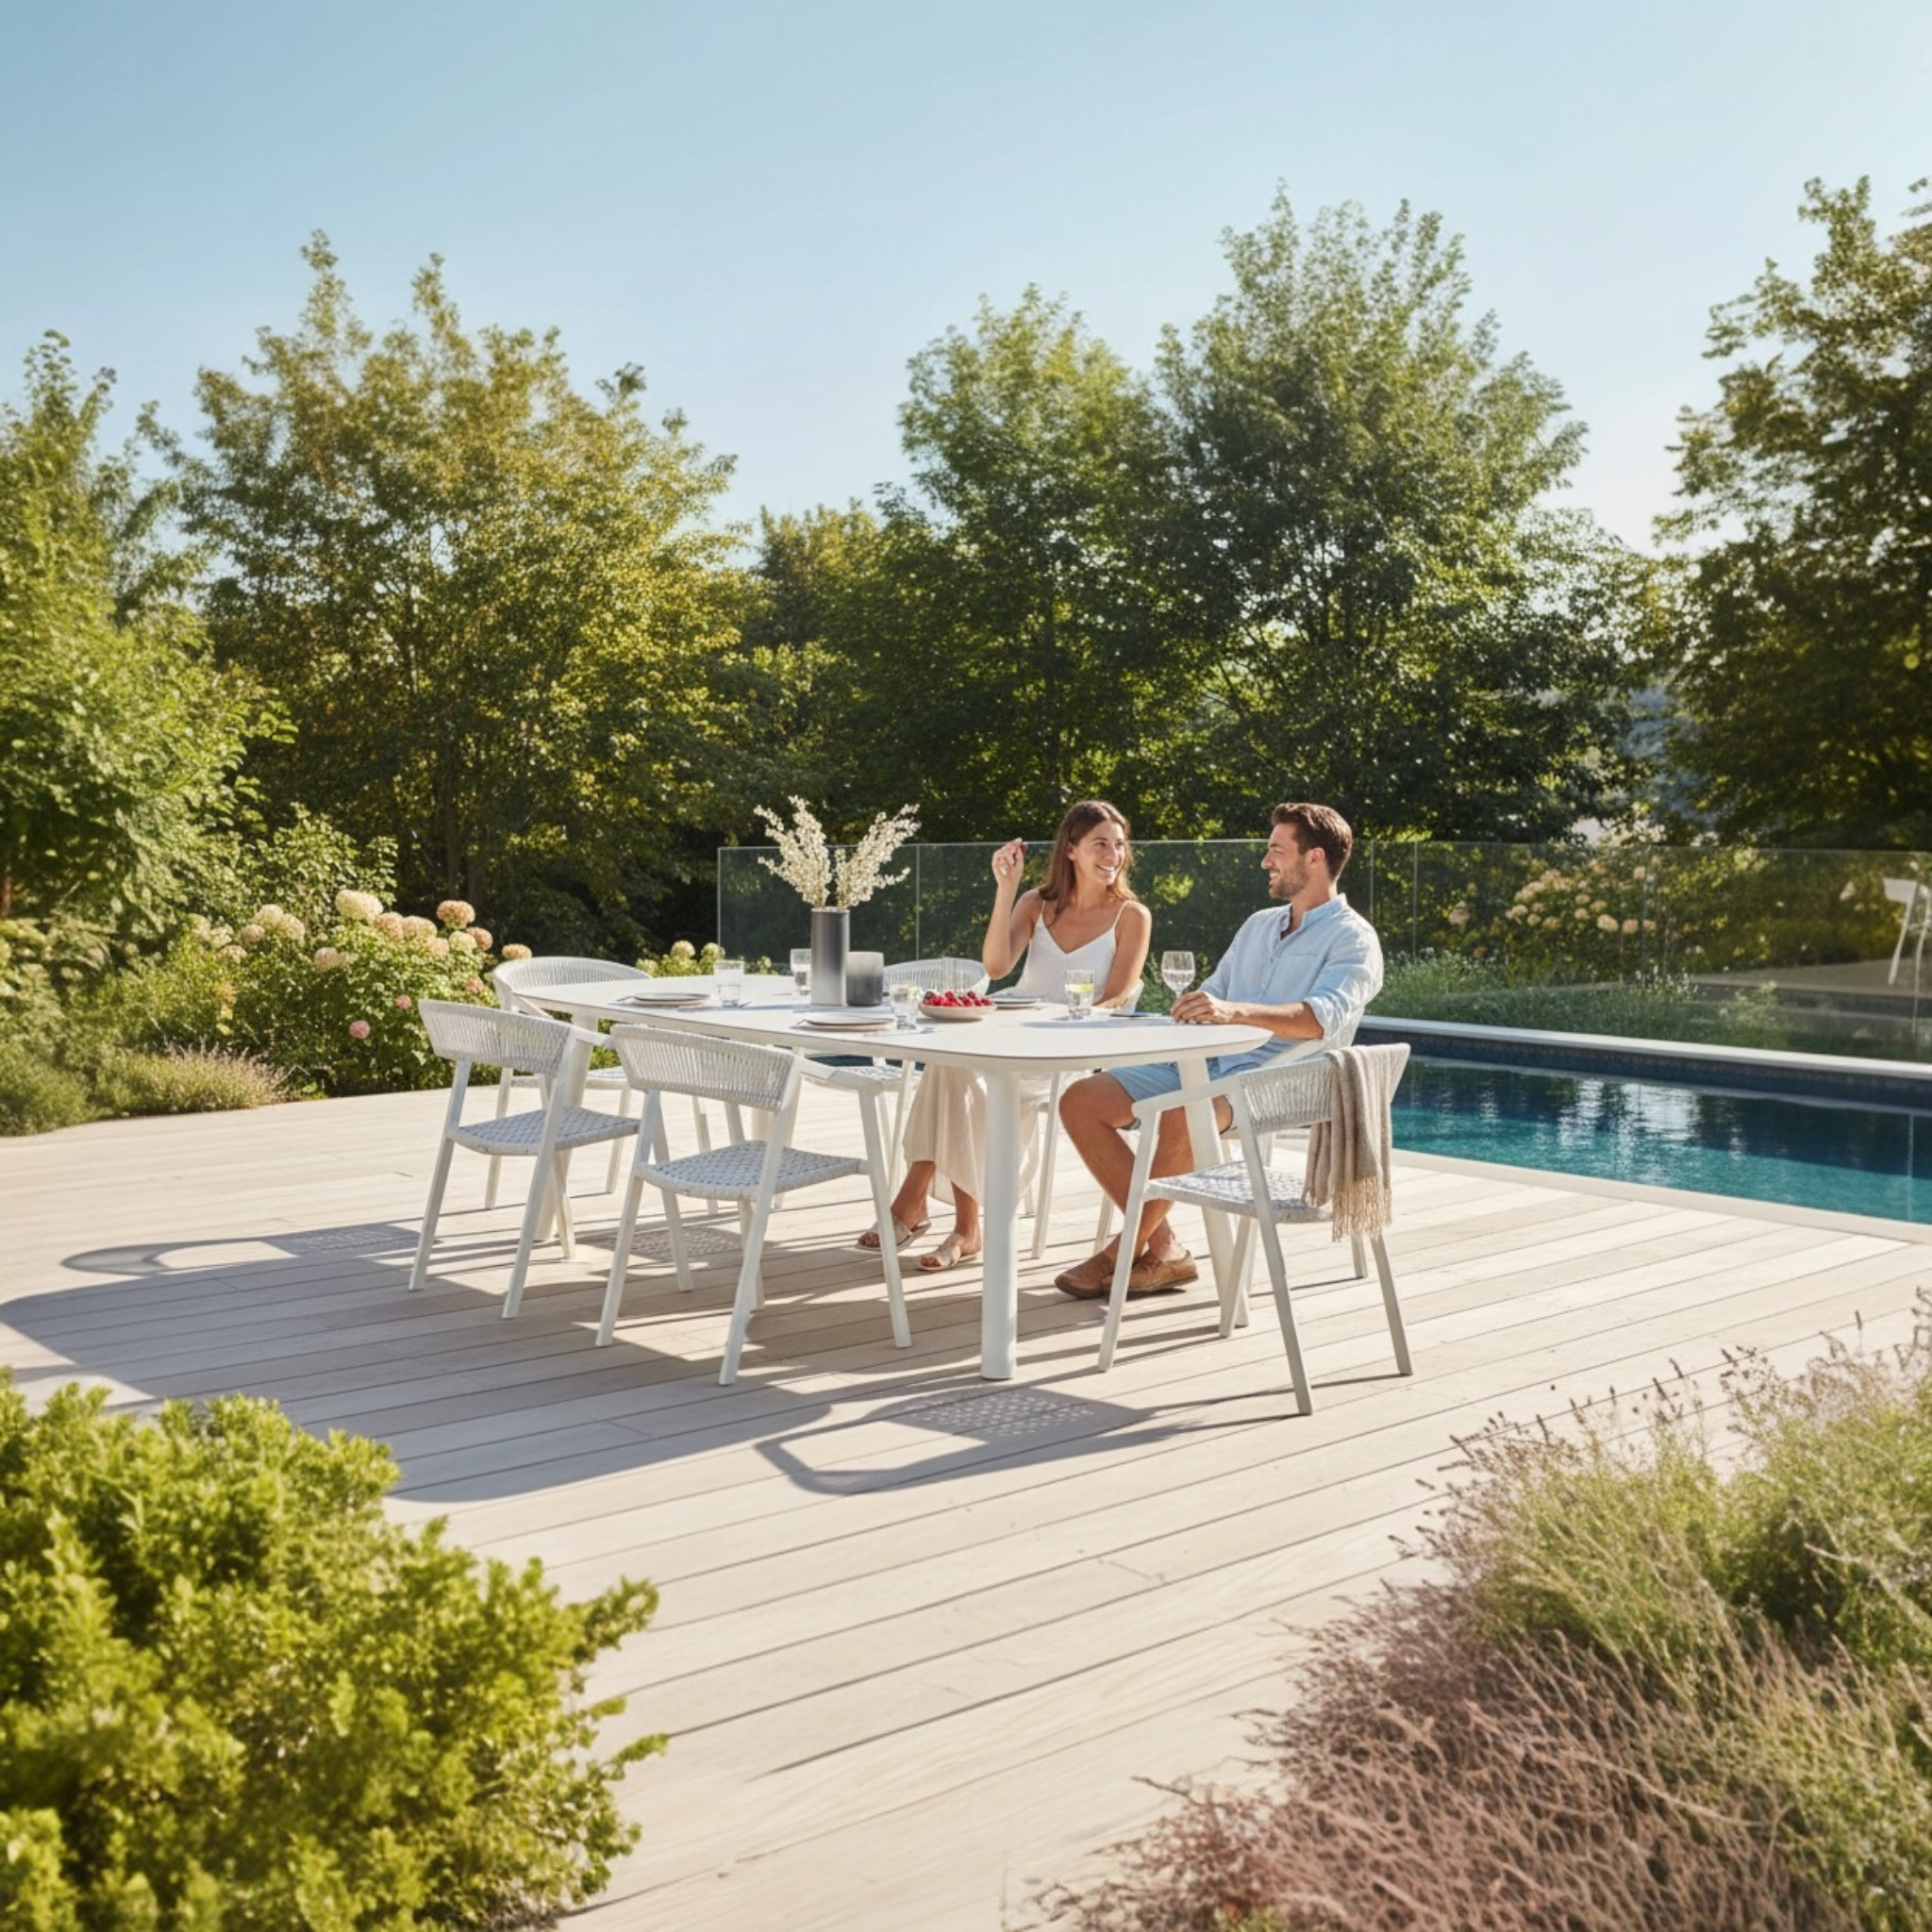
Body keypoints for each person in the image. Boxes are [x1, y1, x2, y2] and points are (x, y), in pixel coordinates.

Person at [1051, 801, 1383, 1299]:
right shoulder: (1257, 926)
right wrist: (1189, 1012)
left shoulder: (1353, 940)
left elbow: (1318, 1019)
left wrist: (1231, 1012)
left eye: (1276, 850)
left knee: (1187, 1114)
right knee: (1081, 1101)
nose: (1265, 861)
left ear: (1314, 859)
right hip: (1207, 1065)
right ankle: (1163, 1248)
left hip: (1282, 1079)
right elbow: (1212, 997)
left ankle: (1117, 1254)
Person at [858, 800, 1153, 1272]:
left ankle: (921, 1207)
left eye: (1119, 845)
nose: (1113, 854)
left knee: (970, 1078)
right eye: (1100, 843)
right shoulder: (1037, 903)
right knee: (951, 1065)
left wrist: (1061, 1021)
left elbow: (1117, 996)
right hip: (1010, 1030)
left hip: (1069, 1047)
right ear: (1071, 850)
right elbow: (997, 968)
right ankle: (962, 1226)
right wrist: (1007, 889)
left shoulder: (1132, 916)